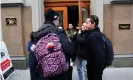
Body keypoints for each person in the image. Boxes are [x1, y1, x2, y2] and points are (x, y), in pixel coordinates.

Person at [34, 8, 72, 80]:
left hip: (45, 72)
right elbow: (68, 50)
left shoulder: (38, 34)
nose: (59, 21)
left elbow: (35, 53)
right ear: (54, 19)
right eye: (58, 19)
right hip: (60, 72)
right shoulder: (58, 31)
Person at [85, 15, 105, 80]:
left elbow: (99, 54)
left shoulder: (93, 36)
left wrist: (97, 70)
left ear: (93, 24)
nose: (85, 24)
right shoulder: (96, 33)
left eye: (87, 23)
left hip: (94, 69)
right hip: (94, 67)